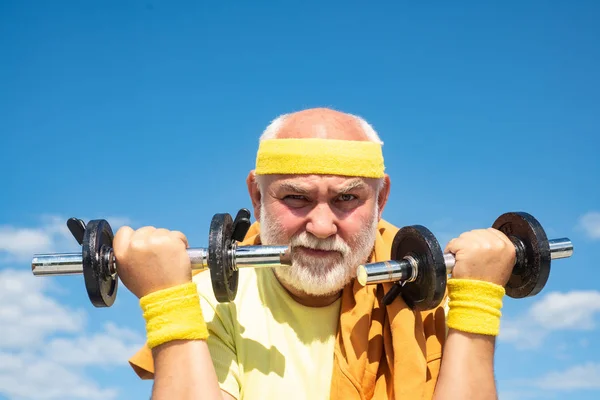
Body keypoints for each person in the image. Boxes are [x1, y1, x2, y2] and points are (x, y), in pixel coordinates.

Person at [118, 107, 515, 400]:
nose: (322, 227)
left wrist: (479, 305)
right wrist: (167, 305)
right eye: (295, 197)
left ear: (381, 199)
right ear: (257, 196)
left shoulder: (431, 294)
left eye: (347, 198)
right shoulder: (212, 300)